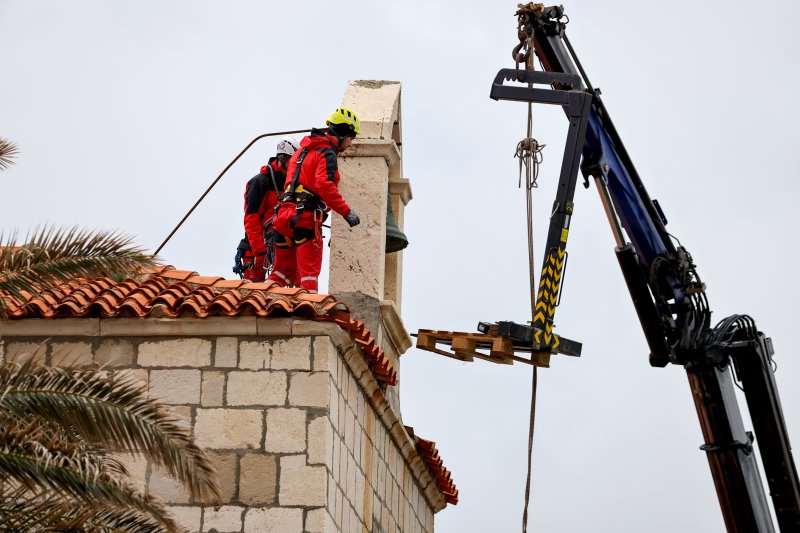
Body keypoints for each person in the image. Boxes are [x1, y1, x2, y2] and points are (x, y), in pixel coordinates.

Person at [267, 107, 362, 293]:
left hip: (282, 216)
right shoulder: (327, 153)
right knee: (308, 276)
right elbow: (324, 185)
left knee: (280, 272)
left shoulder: (301, 151)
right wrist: (346, 212)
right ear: (343, 133)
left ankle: (260, 300)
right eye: (351, 138)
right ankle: (309, 315)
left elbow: (293, 183)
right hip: (305, 219)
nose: (350, 143)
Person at [237, 136, 299, 281]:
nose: (295, 166)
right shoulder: (259, 182)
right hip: (256, 250)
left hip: (283, 246)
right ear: (282, 158)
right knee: (253, 296)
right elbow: (251, 219)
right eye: (293, 162)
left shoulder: (293, 183)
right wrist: (259, 252)